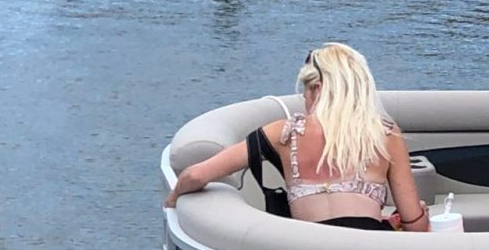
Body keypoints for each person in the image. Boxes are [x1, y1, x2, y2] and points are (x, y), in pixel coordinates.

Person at [165, 43, 430, 231]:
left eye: (304, 91)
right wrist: (412, 218)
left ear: (316, 88)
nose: (303, 98)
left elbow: (196, 176)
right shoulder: (384, 135)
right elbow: (414, 224)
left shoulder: (283, 133)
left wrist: (173, 198)